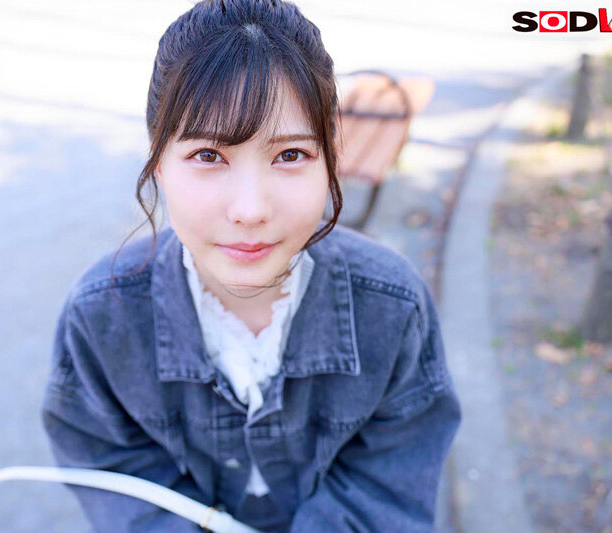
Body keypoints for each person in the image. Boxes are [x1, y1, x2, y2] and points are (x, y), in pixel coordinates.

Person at [40, 0, 462, 531]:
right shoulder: (101, 318)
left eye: (290, 155)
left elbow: (387, 483)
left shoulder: (392, 308)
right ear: (159, 162)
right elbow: (112, 469)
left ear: (331, 157)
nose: (250, 210)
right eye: (208, 156)